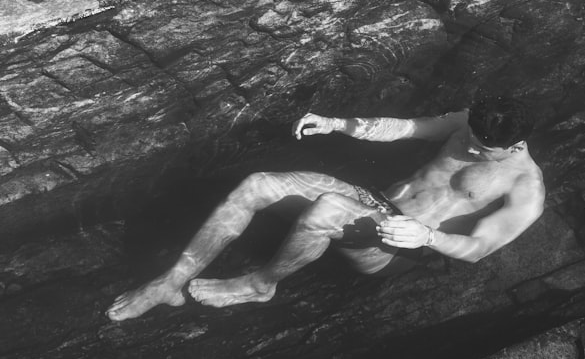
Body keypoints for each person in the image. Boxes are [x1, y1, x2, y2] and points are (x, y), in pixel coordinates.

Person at [106, 95, 545, 321]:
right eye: (468, 136)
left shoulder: (526, 187)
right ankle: (170, 281)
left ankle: (261, 284)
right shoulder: (467, 124)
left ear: (516, 145)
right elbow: (407, 128)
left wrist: (427, 236)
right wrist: (338, 124)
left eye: (482, 148)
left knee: (328, 208)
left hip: (399, 247)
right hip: (375, 201)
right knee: (258, 183)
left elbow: (479, 249)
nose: (468, 146)